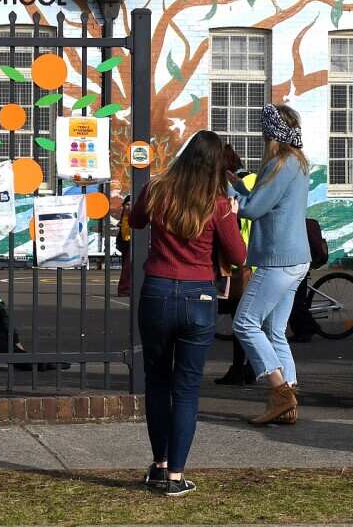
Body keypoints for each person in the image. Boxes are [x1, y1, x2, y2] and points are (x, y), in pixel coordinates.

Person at [129, 130, 246, 497]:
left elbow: (134, 222)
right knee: (187, 388)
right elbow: (240, 257)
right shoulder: (219, 204)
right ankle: (177, 475)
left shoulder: (157, 190)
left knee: (157, 381)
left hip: (158, 291)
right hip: (199, 297)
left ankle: (160, 465)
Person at [229, 104, 311, 426]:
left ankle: (280, 393)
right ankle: (288, 401)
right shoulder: (298, 162)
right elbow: (260, 200)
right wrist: (236, 182)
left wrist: (226, 188)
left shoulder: (280, 163)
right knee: (275, 330)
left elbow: (252, 209)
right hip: (296, 260)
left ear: (270, 133)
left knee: (245, 323)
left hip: (279, 260)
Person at [215, 144, 256, 386]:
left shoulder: (231, 188)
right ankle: (247, 368)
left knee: (240, 320)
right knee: (248, 320)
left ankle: (241, 370)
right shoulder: (255, 179)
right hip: (257, 260)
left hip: (242, 263)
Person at [117, 194, 133, 297]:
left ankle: (127, 287)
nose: (128, 207)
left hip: (131, 242)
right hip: (126, 243)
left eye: (130, 205)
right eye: (126, 205)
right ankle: (124, 289)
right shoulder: (125, 215)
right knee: (127, 267)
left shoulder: (132, 215)